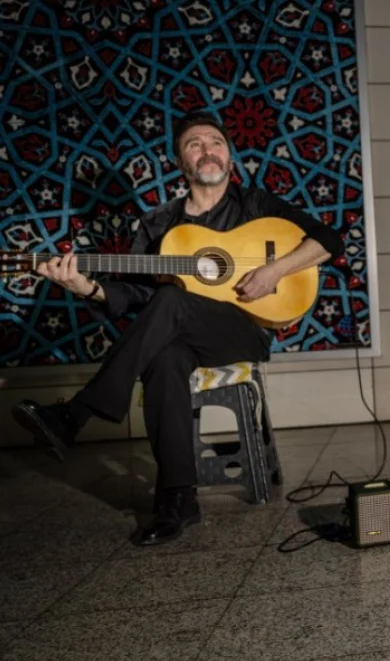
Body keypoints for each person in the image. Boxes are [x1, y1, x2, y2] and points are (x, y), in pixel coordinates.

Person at [11, 111, 344, 545]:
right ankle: (178, 499)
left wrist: (274, 271)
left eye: (215, 141)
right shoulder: (158, 224)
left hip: (240, 330)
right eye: (194, 144)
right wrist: (85, 286)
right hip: (180, 332)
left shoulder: (256, 205)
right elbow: (135, 297)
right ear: (181, 162)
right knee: (165, 357)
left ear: (229, 154)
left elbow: (328, 241)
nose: (207, 149)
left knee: (172, 300)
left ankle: (77, 414)